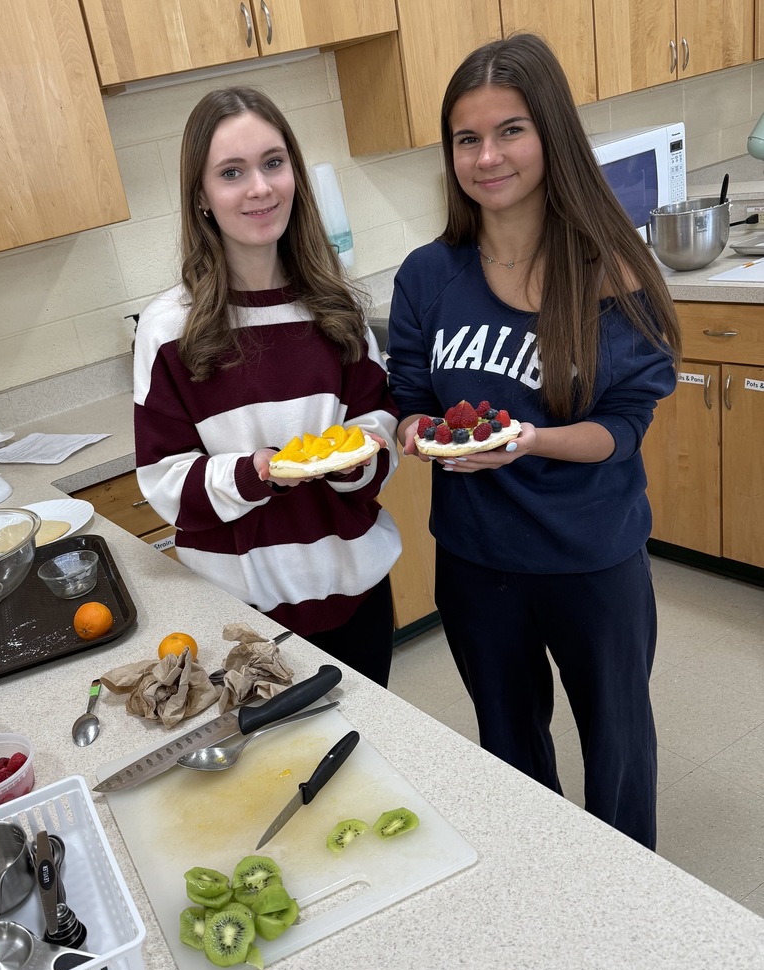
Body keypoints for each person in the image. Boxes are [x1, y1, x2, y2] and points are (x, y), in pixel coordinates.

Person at [386, 33, 681, 848]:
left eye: (510, 130)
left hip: (590, 557)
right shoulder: (426, 276)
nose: (487, 157)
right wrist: (417, 432)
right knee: (509, 747)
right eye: (466, 138)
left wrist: (530, 441)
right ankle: (543, 877)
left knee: (618, 750)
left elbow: (623, 428)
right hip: (478, 561)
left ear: (550, 132)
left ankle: (628, 895)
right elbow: (410, 395)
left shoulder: (611, 272)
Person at [133, 86, 402, 687]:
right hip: (241, 621)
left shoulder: (336, 307)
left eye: (273, 163)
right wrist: (253, 472)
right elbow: (165, 481)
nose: (260, 188)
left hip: (357, 596)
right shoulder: (168, 330)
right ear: (201, 196)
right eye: (232, 172)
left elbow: (378, 427)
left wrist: (349, 460)